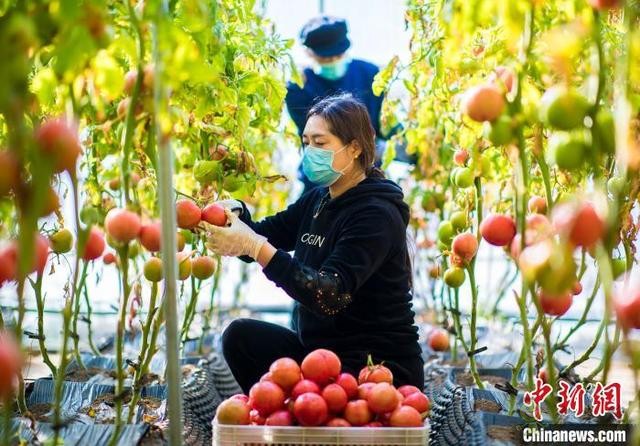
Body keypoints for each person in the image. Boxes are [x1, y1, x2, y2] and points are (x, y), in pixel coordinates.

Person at [205, 94, 423, 394]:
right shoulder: (319, 199)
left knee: (323, 396)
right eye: (306, 142)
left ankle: (303, 419)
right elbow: (263, 236)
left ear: (355, 147)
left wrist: (256, 246)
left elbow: (329, 295)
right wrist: (233, 217)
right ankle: (285, 416)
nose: (310, 152)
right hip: (320, 356)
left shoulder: (376, 214)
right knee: (240, 337)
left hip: (373, 367)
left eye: (320, 143)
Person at [286, 16, 387, 193]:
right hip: (322, 176)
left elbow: (383, 123)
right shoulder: (298, 87)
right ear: (309, 53)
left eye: (338, 55)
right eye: (325, 59)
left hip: (367, 174)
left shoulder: (370, 74)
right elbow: (318, 136)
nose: (333, 61)